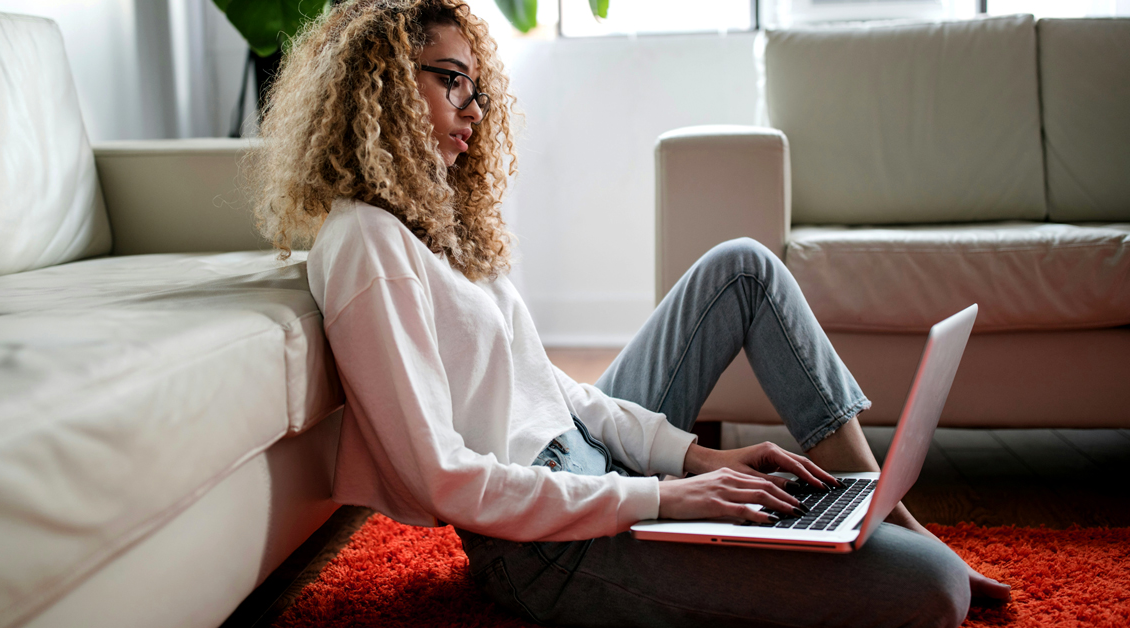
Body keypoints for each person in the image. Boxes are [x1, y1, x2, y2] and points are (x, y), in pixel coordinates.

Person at [247, 1, 1010, 625]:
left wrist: (692, 459)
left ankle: (884, 507)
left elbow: (553, 389)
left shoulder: (433, 225)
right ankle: (890, 537)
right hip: (544, 544)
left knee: (741, 267)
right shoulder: (365, 243)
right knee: (933, 590)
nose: (472, 109)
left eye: (476, 87)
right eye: (451, 80)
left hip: (589, 464)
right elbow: (444, 480)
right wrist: (662, 497)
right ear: (378, 82)